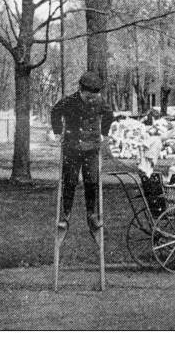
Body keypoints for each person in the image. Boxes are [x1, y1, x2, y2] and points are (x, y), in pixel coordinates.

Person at [50, 71, 114, 244]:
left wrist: (104, 134)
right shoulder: (69, 101)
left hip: (91, 149)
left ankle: (92, 215)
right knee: (69, 182)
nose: (91, 100)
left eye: (94, 96)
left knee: (92, 181)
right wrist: (57, 132)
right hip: (72, 148)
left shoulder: (100, 102)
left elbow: (109, 115)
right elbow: (55, 111)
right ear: (80, 89)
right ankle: (65, 215)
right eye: (88, 96)